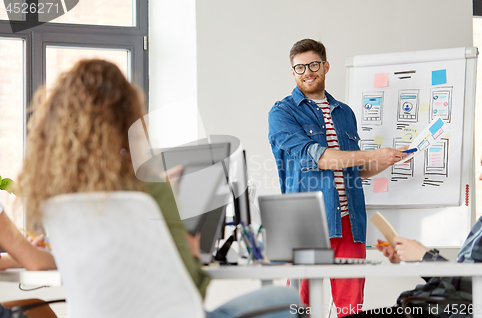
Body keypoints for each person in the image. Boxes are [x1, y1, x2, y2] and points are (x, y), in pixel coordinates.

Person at [0, 59, 301, 317]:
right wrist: (194, 250)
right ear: (127, 119)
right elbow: (192, 286)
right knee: (286, 300)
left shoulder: (57, 201)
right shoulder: (149, 192)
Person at [268, 38, 405, 315]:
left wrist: (389, 160)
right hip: (308, 221)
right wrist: (373, 154)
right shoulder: (282, 113)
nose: (307, 72)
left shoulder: (345, 114)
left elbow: (355, 169)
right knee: (300, 305)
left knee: (351, 307)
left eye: (314, 64)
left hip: (349, 220)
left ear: (326, 66)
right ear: (292, 72)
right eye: (299, 67)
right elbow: (322, 158)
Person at [345, 132, 482, 317]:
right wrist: (417, 259)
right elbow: (462, 286)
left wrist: (425, 257)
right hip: (429, 306)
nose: (481, 176)